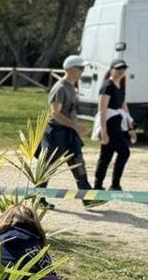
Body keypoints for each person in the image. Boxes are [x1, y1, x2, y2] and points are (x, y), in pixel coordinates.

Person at [39, 55, 98, 208]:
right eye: (80, 68)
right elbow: (54, 113)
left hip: (68, 133)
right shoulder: (60, 88)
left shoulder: (72, 87)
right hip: (56, 133)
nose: (82, 72)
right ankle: (38, 200)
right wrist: (76, 126)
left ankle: (88, 198)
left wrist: (73, 127)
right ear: (71, 69)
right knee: (48, 167)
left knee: (78, 163)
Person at [92, 58, 136, 191]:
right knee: (124, 152)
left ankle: (99, 185)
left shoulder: (121, 84)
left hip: (118, 122)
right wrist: (104, 132)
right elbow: (102, 110)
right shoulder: (107, 86)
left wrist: (130, 128)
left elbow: (123, 106)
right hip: (110, 123)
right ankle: (113, 184)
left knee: (106, 155)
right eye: (118, 69)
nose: (121, 71)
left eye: (123, 69)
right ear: (111, 70)